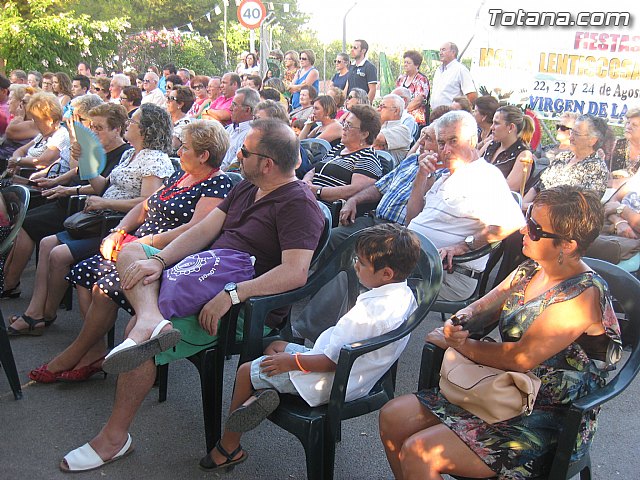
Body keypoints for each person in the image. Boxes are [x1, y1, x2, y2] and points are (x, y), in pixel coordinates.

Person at [58, 119, 324, 472]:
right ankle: (153, 320)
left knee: (136, 340)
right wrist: (162, 260)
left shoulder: (298, 204)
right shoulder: (247, 186)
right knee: (132, 256)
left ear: (267, 163)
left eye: (244, 152)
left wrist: (233, 294)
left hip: (240, 307)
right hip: (201, 275)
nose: (236, 155)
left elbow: (295, 272)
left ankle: (114, 438)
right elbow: (203, 230)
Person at [379, 185, 622, 480]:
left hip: (546, 416)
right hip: (499, 389)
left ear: (567, 245)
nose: (523, 230)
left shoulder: (582, 295)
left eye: (534, 228)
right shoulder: (532, 269)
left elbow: (519, 358)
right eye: (527, 219)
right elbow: (482, 306)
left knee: (420, 451)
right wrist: (459, 321)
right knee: (392, 417)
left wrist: (459, 345)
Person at [201, 223, 420, 472]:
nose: (355, 265)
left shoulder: (367, 315)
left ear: (387, 274)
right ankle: (264, 395)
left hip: (329, 379)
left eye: (361, 262)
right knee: (275, 346)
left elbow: (331, 362)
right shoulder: (405, 295)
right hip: (357, 375)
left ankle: (229, 447)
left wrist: (291, 363)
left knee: (245, 372)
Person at [29, 119, 231, 379]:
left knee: (104, 288)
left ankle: (73, 353)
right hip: (136, 247)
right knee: (84, 272)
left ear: (204, 155)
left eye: (185, 148)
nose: (178, 152)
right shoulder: (183, 173)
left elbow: (194, 230)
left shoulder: (218, 184)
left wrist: (144, 243)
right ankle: (95, 351)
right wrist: (119, 232)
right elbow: (145, 206)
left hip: (170, 256)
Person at [3, 103, 173, 310]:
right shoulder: (131, 155)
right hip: (97, 217)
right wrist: (84, 161)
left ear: (147, 128)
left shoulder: (155, 159)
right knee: (47, 243)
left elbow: (147, 202)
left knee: (58, 254)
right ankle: (36, 309)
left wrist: (106, 202)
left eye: (133, 121)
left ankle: (43, 314)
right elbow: (102, 186)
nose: (128, 123)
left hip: (117, 226)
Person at [406, 110, 525, 301]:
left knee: (370, 280)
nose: (445, 150)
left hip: (447, 274)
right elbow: (411, 219)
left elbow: (512, 222)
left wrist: (463, 246)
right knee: (358, 264)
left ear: (471, 140)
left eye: (454, 141)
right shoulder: (445, 176)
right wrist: (422, 175)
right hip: (417, 263)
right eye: (442, 143)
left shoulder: (484, 175)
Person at [523, 114, 610, 208]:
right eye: (572, 132)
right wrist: (522, 205)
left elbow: (579, 207)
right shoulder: (563, 157)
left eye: (576, 134)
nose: (571, 137)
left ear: (592, 140)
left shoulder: (597, 169)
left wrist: (532, 207)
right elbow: (537, 187)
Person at [303, 104, 382, 206]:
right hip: (307, 198)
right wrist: (305, 183)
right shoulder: (338, 148)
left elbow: (355, 190)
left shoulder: (367, 157)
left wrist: (318, 191)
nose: (343, 128)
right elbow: (314, 170)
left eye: (349, 125)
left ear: (364, 134)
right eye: (344, 123)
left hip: (325, 208)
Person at [6, 92, 71, 183]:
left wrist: (17, 161)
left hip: (36, 181)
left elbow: (42, 162)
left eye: (37, 120)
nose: (34, 123)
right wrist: (15, 163)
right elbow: (21, 150)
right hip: (21, 176)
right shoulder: (43, 134)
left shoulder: (61, 136)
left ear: (50, 120)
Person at [481, 105, 535, 192]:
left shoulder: (524, 154)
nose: (492, 127)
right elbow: (471, 166)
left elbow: (509, 188)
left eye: (497, 123)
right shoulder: (490, 145)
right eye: (492, 123)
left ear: (511, 127)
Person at [220, 87, 260, 172]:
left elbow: (233, 169)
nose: (230, 108)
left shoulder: (251, 135)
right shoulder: (229, 128)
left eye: (234, 105)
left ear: (247, 110)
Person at [430, 42, 477, 110]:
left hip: (451, 115)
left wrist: (461, 111)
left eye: (443, 50)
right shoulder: (438, 70)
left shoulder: (460, 70)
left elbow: (471, 95)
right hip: (436, 115)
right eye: (440, 50)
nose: (440, 53)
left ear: (453, 52)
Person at [374, 94, 412, 166]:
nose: (378, 109)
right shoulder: (380, 126)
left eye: (382, 107)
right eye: (379, 106)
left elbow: (377, 139)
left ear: (396, 111)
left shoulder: (403, 130)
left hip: (390, 174)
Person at [396, 50, 430, 126]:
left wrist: (404, 111)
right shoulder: (401, 79)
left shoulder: (421, 79)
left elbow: (419, 100)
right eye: (404, 62)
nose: (405, 65)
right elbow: (396, 97)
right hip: (400, 118)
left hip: (416, 120)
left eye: (408, 63)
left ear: (416, 65)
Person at [609, 108, 640, 185]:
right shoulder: (620, 144)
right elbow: (611, 173)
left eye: (634, 125)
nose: (628, 127)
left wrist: (615, 183)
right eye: (628, 123)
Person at [166, 86, 194, 155]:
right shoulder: (166, 119)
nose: (167, 101)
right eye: (167, 98)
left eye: (171, 99)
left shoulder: (185, 125)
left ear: (180, 104)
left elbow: (172, 146)